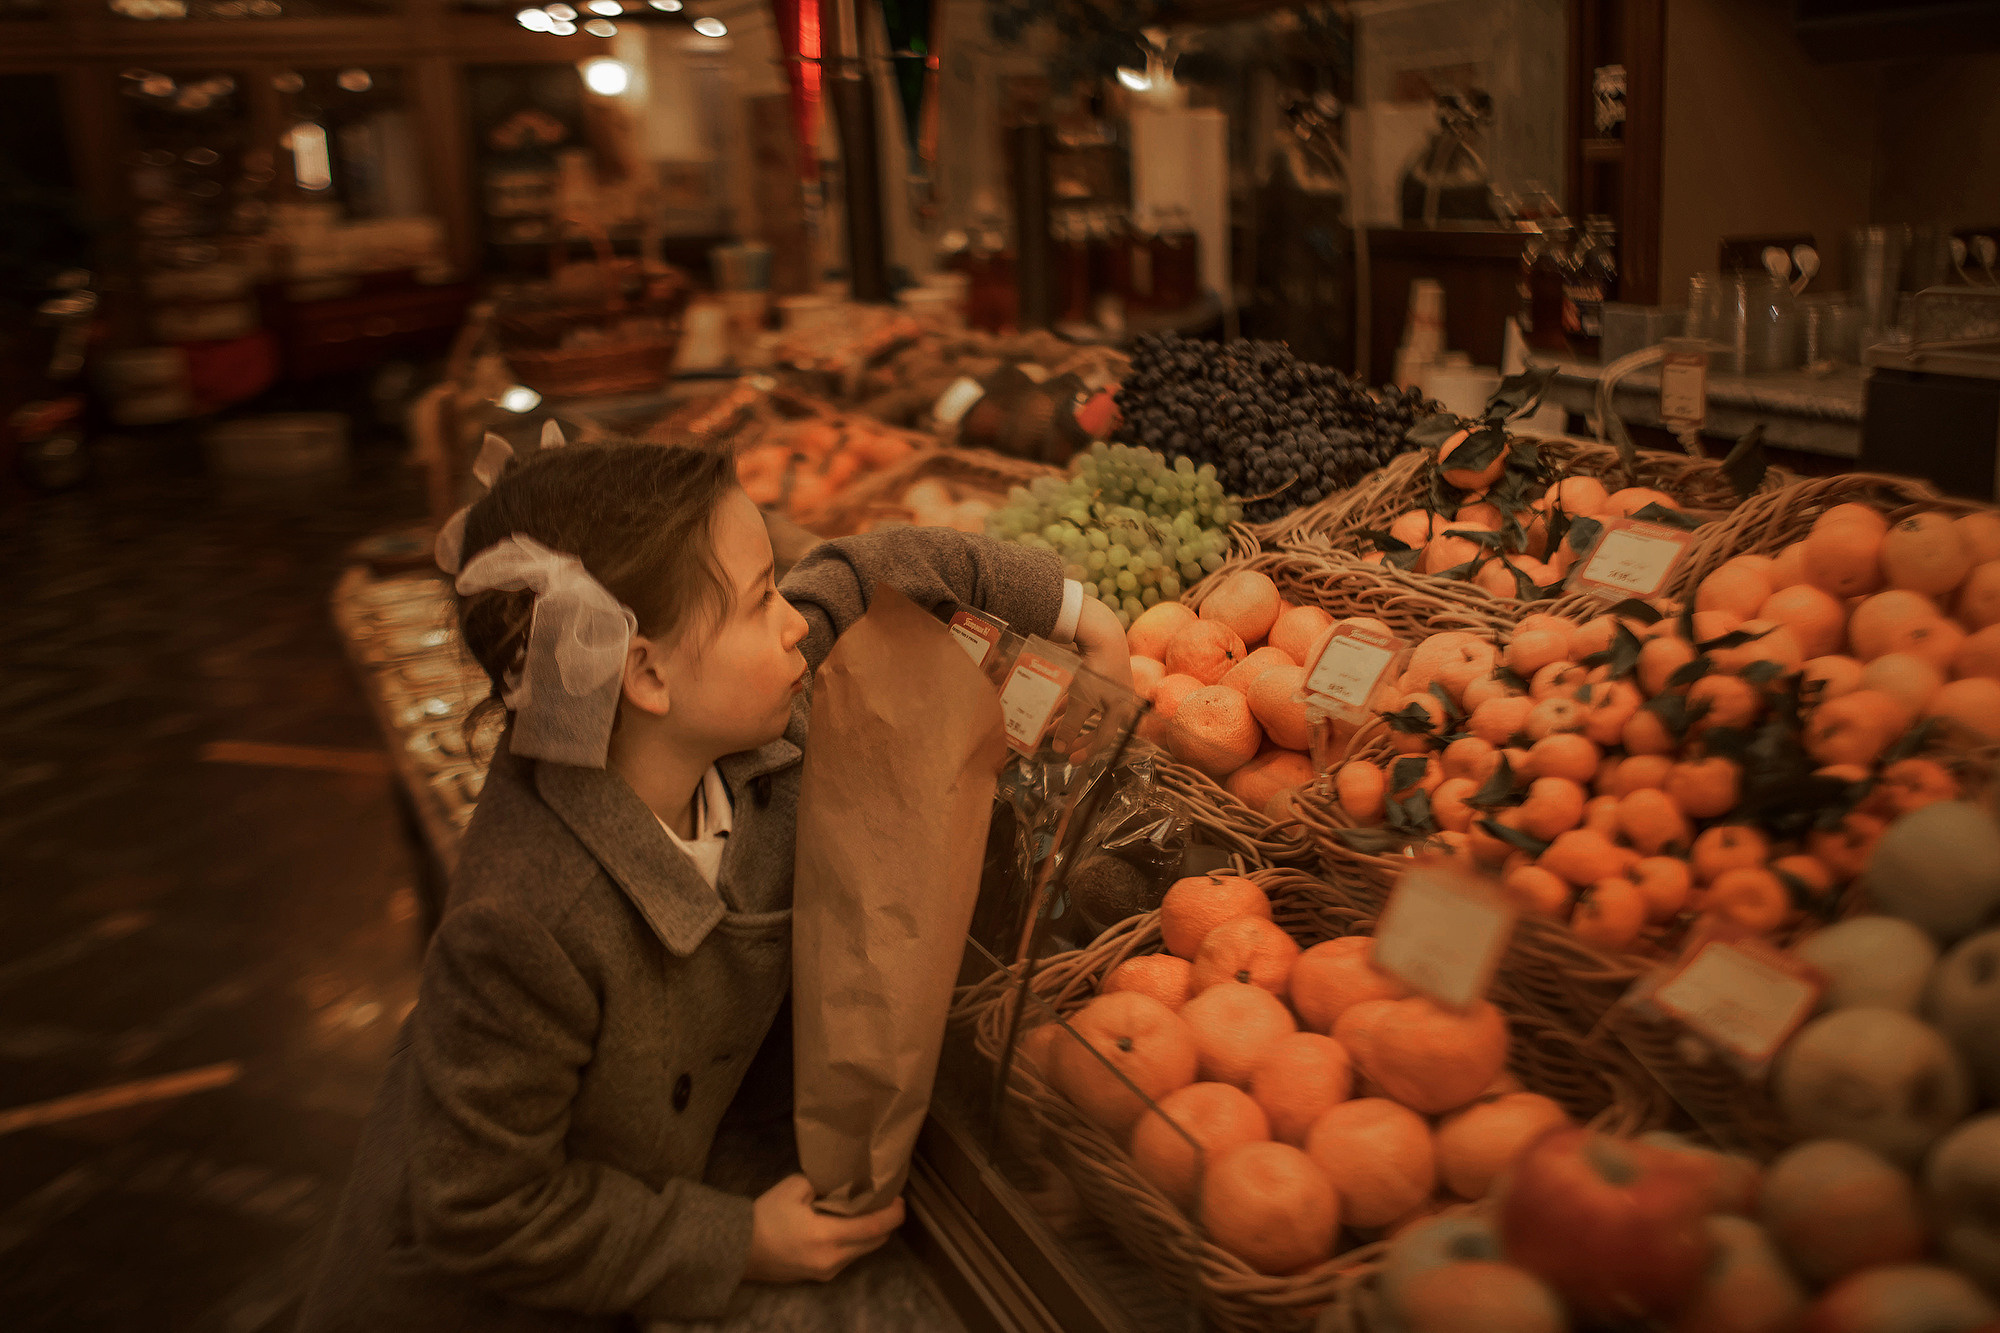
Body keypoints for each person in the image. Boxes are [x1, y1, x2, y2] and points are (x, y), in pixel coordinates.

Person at [297, 438, 1129, 1332]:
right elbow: (483, 1207)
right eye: (760, 598)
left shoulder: (718, 721)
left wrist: (1076, 610)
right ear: (647, 672)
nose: (794, 621)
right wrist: (737, 1241)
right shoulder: (526, 920)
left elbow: (866, 570)